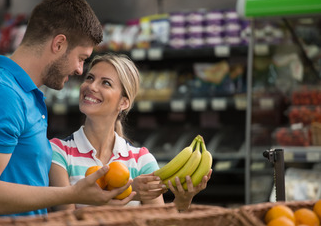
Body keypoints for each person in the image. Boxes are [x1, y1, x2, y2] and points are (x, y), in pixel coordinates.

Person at [0, 0, 135, 225]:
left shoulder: (27, 96)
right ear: (59, 44)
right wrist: (73, 194)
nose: (79, 70)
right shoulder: (1, 95)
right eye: (81, 58)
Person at [49, 53, 211, 211]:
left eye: (106, 83)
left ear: (124, 102)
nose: (91, 86)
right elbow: (65, 219)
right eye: (90, 78)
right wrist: (126, 191)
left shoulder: (141, 160)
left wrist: (182, 202)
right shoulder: (59, 152)